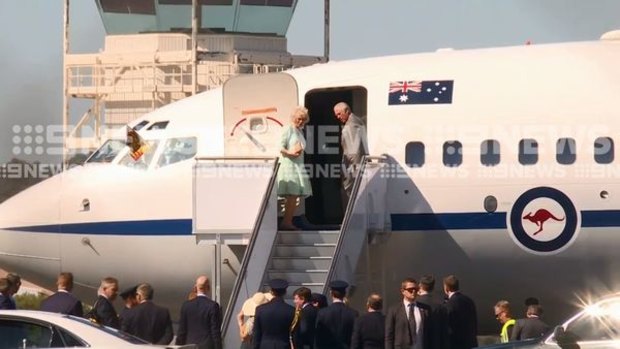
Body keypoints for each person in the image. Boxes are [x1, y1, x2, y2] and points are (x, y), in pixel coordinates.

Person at [277, 106, 313, 230]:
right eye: (299, 119)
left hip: (297, 165)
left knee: (295, 195)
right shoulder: (287, 129)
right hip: (289, 165)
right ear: (293, 117)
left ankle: (288, 221)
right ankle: (286, 222)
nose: (301, 122)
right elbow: (280, 147)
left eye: (303, 120)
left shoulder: (299, 131)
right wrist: (290, 153)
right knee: (292, 194)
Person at [333, 102, 367, 209]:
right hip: (356, 166)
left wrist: (353, 170)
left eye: (339, 114)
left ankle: (350, 221)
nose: (338, 117)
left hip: (352, 167)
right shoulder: (358, 120)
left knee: (349, 193)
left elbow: (354, 151)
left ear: (347, 111)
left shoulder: (351, 126)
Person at [176, 275, 222, 349]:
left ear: (195, 287)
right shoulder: (213, 306)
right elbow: (215, 332)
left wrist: (178, 346)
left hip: (189, 346)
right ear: (208, 288)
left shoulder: (186, 306)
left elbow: (181, 331)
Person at [385, 277, 432, 349]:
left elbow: (430, 333)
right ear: (403, 291)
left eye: (416, 289)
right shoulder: (393, 310)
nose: (413, 292)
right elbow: (389, 336)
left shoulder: (425, 309)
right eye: (410, 290)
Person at [315, 280, 358, 349]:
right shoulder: (353, 313)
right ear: (345, 294)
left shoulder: (322, 313)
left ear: (331, 293)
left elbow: (318, 336)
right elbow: (355, 336)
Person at [253, 279, 295, 349]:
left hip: (264, 346)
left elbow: (257, 333)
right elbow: (295, 334)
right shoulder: (291, 310)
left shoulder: (260, 309)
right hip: (283, 345)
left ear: (271, 292)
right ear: (285, 292)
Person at [443, 275, 478, 349]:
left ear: (446, 288)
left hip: (455, 344)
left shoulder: (449, 304)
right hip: (471, 343)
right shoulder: (469, 301)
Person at [416, 275, 449, 349]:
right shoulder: (440, 305)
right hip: (435, 343)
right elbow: (444, 329)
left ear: (420, 285)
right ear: (433, 288)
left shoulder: (415, 303)